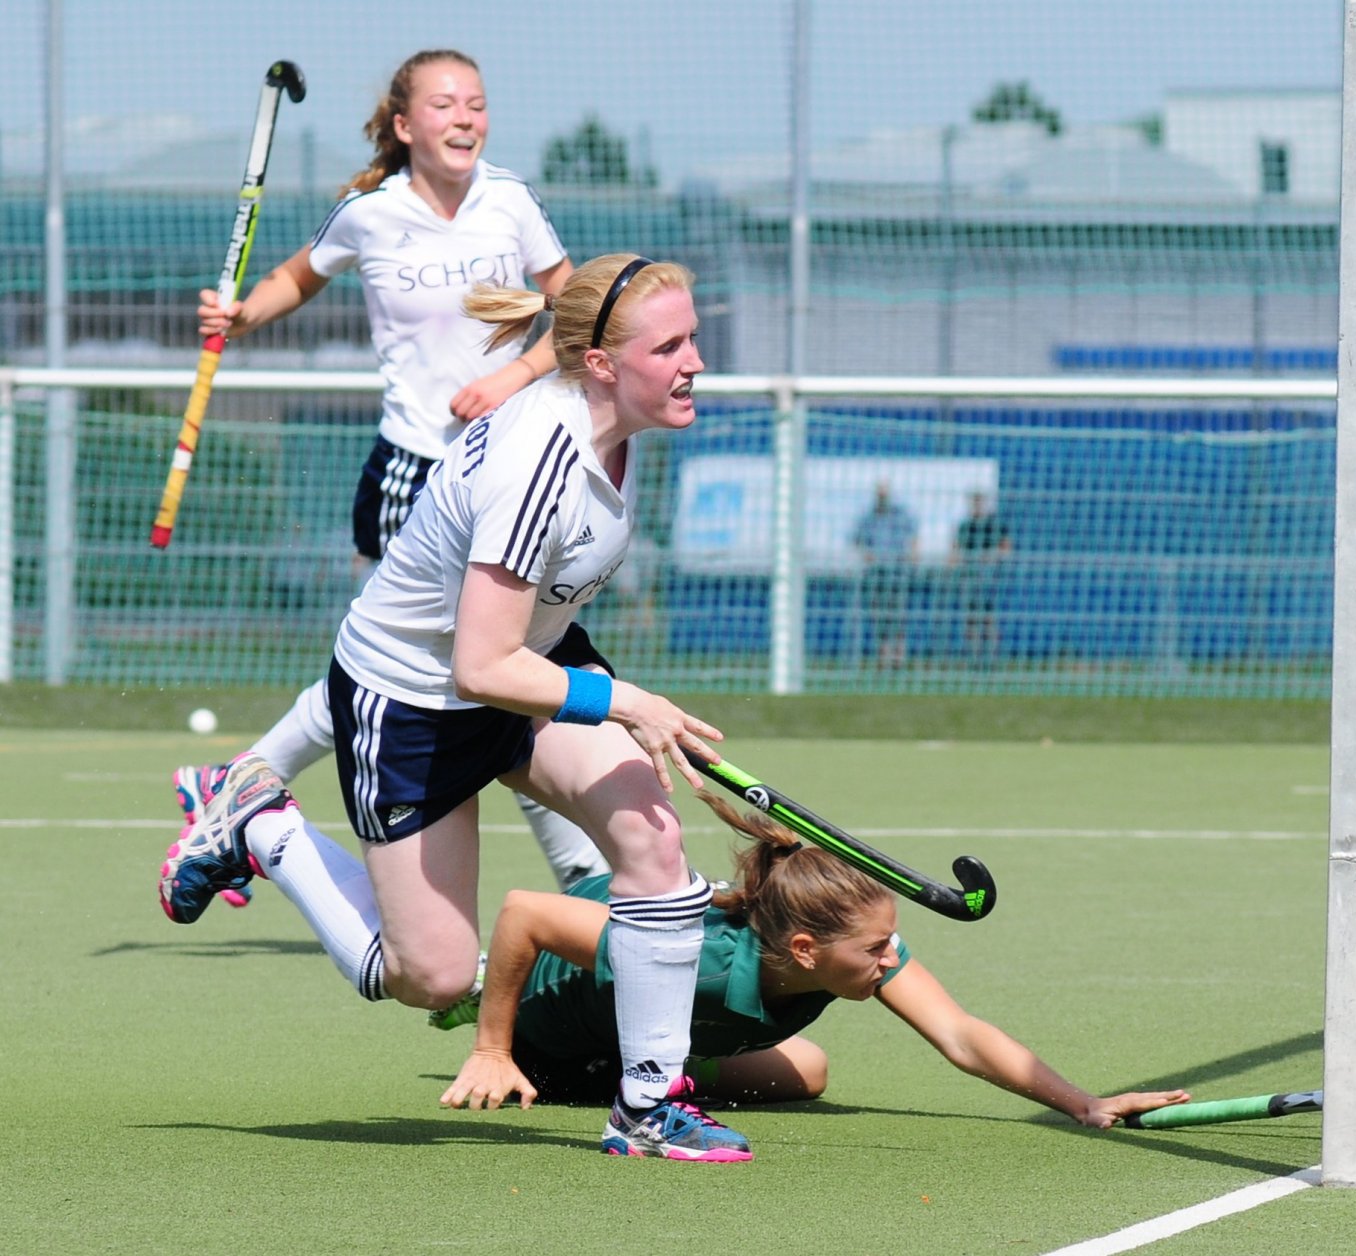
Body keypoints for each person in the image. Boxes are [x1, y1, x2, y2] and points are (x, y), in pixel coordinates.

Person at [158, 255, 752, 1161]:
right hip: (413, 701)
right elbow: (479, 666)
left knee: (653, 839)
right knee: (431, 978)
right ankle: (261, 826)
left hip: (527, 663)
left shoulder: (613, 434)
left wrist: (619, 709)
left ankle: (649, 1106)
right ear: (600, 364)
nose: (694, 361)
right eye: (669, 345)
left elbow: (526, 632)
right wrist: (628, 701)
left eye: (693, 338)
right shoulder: (539, 465)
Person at [182, 49, 604, 897]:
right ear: (406, 125)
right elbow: (295, 277)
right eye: (445, 105)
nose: (465, 119)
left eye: (477, 104)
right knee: (430, 662)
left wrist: (511, 379)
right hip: (414, 470)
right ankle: (585, 874)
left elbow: (577, 304)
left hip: (507, 469)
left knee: (498, 663)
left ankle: (237, 780)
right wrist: (240, 314)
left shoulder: (510, 202)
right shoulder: (369, 213)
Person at [426, 789, 1192, 1127]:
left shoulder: (830, 952)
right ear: (802, 948)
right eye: (874, 947)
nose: (890, 955)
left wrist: (1083, 1102)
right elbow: (524, 913)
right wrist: (492, 1049)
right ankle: (472, 985)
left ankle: (658, 1070)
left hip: (629, 1030)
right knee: (416, 972)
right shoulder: (700, 958)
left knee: (811, 1070)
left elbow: (960, 1034)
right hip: (543, 1035)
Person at [852, 482, 917, 667]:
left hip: (898, 571)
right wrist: (868, 555)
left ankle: (898, 656)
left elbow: (913, 538)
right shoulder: (868, 517)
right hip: (876, 573)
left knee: (898, 614)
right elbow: (858, 540)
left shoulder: (900, 515)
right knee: (879, 615)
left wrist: (911, 556)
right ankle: (884, 656)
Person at [951, 490, 1011, 665]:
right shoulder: (965, 526)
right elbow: (956, 550)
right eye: (974, 502)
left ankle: (991, 659)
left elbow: (1006, 548)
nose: (977, 505)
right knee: (971, 619)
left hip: (989, 577)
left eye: (979, 501)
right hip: (970, 577)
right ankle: (974, 658)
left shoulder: (994, 525)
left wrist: (991, 557)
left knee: (988, 619)